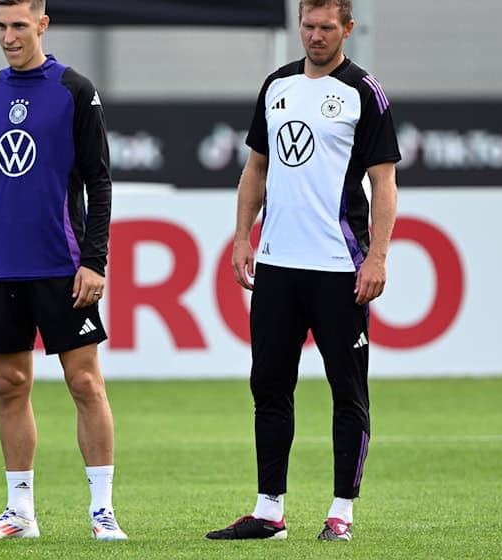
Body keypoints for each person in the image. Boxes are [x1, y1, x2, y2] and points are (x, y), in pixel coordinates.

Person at [204, 0, 399, 543]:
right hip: (278, 268)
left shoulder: (364, 92)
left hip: (340, 267)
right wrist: (244, 237)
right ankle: (269, 511)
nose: (315, 36)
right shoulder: (277, 87)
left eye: (326, 28)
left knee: (347, 391)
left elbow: (384, 183)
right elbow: (256, 168)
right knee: (269, 386)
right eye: (308, 26)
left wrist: (378, 256)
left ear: (348, 29)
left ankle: (341, 513)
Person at [0, 0, 127, 542]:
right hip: (1, 266)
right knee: (10, 384)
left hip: (61, 263)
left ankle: (102, 511)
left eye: (19, 26)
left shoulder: (74, 91)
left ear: (42, 25)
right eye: (1, 26)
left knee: (84, 382)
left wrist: (94, 260)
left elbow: (98, 181)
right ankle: (19, 513)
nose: (8, 36)